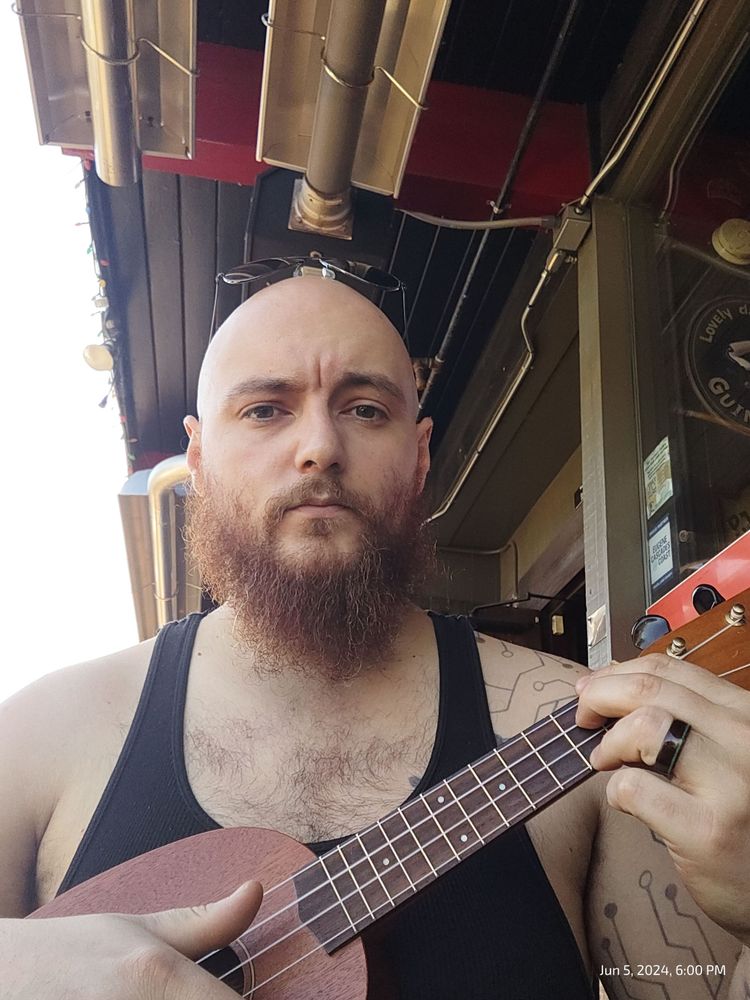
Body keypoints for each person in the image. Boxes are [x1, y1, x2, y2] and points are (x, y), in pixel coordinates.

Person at [0, 272, 748, 999]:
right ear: (198, 461)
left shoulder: (574, 725)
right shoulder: (42, 736)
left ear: (419, 456)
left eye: (364, 409)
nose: (320, 446)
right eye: (265, 409)